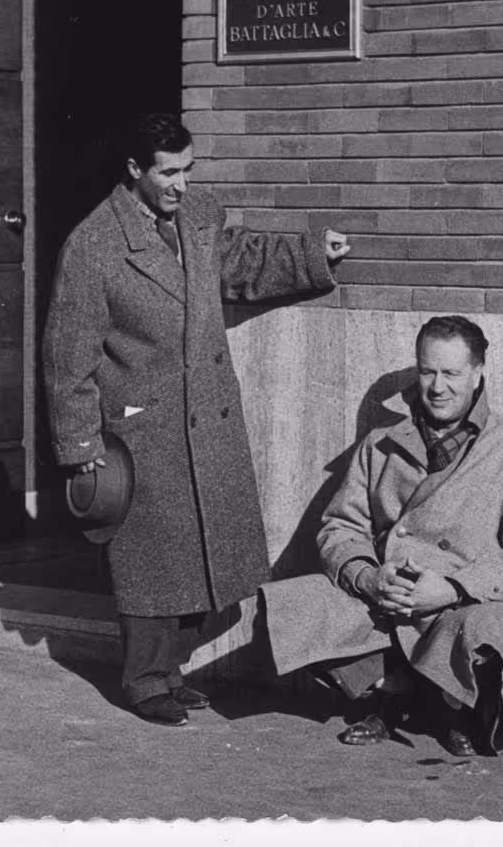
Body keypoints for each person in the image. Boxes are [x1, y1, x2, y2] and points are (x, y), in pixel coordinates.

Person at [43, 113, 351, 726]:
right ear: (135, 171)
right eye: (168, 173)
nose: (181, 184)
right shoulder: (94, 245)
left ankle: (172, 671)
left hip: (206, 419)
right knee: (151, 563)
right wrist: (79, 443)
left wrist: (313, 253)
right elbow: (66, 355)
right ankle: (145, 680)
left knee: (204, 557)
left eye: (189, 169)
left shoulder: (201, 217)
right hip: (141, 428)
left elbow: (241, 261)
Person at [261, 316, 503, 756]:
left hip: (463, 601)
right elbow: (340, 526)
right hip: (387, 595)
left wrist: (451, 588)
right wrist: (369, 578)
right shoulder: (379, 444)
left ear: (477, 374)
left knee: (485, 630)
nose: (437, 386)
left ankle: (448, 705)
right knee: (296, 605)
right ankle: (395, 690)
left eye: (451, 373)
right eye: (427, 371)